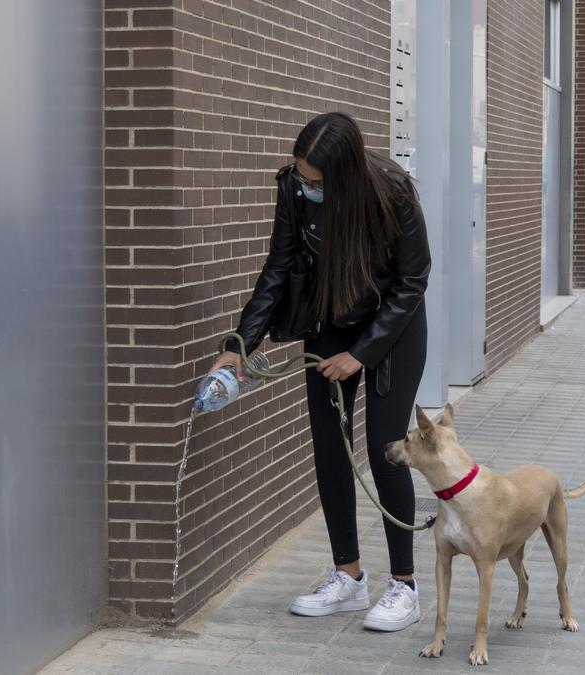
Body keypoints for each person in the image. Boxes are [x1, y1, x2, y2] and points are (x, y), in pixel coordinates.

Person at [209, 111, 430, 632]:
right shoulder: (292, 189)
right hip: (329, 323)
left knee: (385, 450)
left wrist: (363, 353)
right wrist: (237, 346)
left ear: (345, 174)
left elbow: (412, 280)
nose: (304, 186)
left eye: (315, 180)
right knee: (330, 449)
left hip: (390, 331)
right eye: (300, 174)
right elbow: (277, 268)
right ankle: (348, 576)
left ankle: (405, 585)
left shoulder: (393, 192)